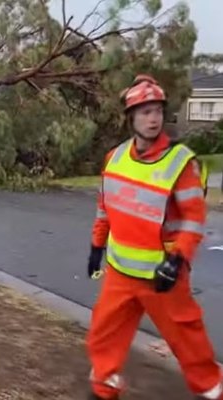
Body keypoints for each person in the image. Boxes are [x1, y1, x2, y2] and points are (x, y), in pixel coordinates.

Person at [85, 74, 222, 400]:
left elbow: (193, 218)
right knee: (102, 337)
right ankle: (104, 390)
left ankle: (212, 391)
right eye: (145, 111)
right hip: (120, 273)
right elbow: (105, 208)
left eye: (157, 111)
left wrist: (178, 260)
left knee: (189, 343)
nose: (153, 118)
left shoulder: (180, 162)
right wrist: (96, 245)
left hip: (164, 277)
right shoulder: (114, 158)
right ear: (131, 117)